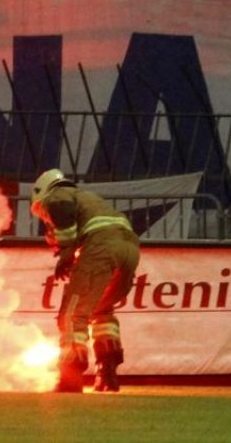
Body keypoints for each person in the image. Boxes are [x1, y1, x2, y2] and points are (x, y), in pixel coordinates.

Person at [30, 168, 140, 393]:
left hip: (102, 247)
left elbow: (60, 209)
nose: (46, 219)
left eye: (42, 213)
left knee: (72, 314)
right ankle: (107, 374)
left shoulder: (57, 195)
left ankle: (70, 377)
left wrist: (66, 251)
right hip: (130, 249)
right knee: (102, 311)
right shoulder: (89, 198)